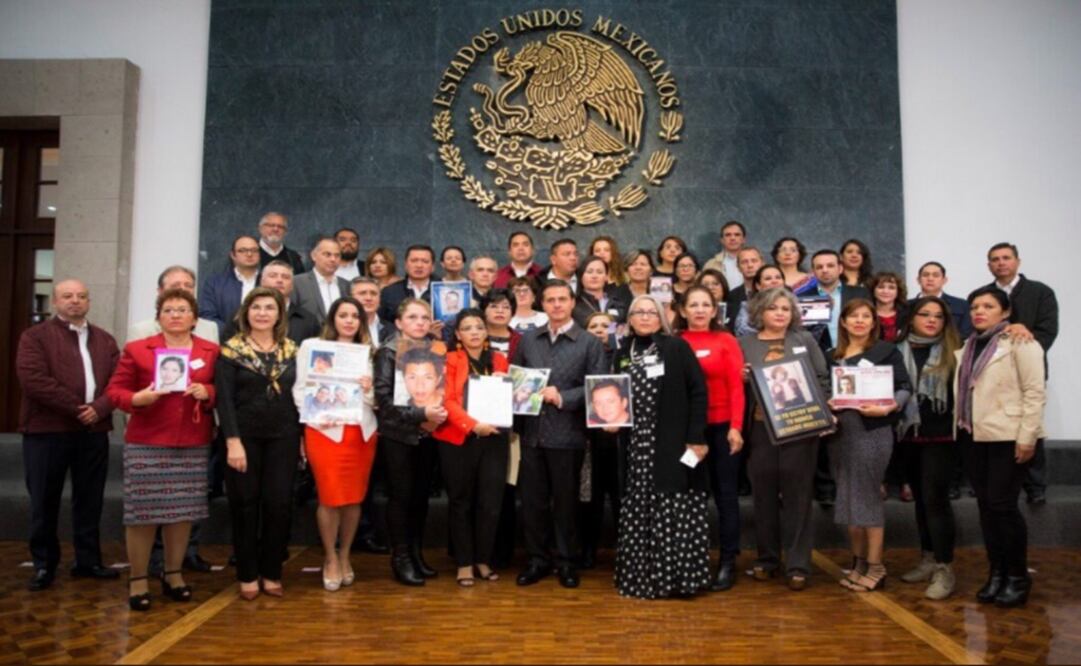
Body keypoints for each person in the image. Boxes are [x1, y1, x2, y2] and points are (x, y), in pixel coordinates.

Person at [106, 288, 218, 611]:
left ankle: (173, 574)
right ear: (159, 317)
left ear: (194, 318)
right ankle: (139, 579)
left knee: (181, 515)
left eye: (183, 310)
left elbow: (221, 390)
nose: (176, 315)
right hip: (147, 442)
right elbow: (115, 391)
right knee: (142, 515)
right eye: (168, 310)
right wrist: (136, 399)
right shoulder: (139, 349)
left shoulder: (210, 351)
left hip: (192, 443)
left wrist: (206, 390)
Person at [17, 279, 120, 591]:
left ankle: (88, 561)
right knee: (44, 500)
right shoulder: (35, 337)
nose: (75, 301)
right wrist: (79, 408)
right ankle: (44, 565)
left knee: (90, 499)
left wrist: (99, 408)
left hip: (93, 432)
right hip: (47, 432)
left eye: (81, 296)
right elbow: (34, 380)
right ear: (55, 301)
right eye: (67, 296)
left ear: (89, 301)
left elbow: (119, 380)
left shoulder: (104, 339)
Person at [614, 294, 710, 598]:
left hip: (672, 441)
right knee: (639, 506)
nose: (644, 317)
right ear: (628, 319)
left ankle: (677, 581)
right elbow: (608, 394)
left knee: (674, 504)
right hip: (635, 445)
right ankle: (641, 578)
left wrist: (696, 437)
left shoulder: (676, 347)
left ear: (661, 317)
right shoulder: (620, 353)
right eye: (638, 312)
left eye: (650, 312)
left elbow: (698, 392)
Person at [955, 286, 1046, 607]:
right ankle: (997, 573)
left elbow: (1035, 393)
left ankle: (1018, 577)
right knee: (986, 507)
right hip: (973, 436)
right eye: (974, 306)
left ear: (1005, 312)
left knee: (1003, 507)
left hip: (1008, 436)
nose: (979, 311)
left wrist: (1027, 437)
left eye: (988, 306)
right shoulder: (968, 346)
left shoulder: (1021, 342)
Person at [512, 280, 606, 588]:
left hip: (568, 435)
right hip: (532, 434)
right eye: (550, 300)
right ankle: (538, 560)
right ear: (542, 304)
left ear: (571, 303)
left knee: (566, 504)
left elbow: (599, 387)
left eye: (562, 299)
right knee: (533, 502)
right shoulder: (528, 340)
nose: (556, 305)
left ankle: (567, 561)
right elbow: (518, 379)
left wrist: (563, 396)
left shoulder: (589, 342)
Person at [738, 287, 829, 590]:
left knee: (798, 498)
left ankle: (799, 565)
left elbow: (822, 379)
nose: (780, 313)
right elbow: (732, 386)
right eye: (773, 308)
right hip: (760, 430)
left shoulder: (804, 340)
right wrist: (740, 377)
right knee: (763, 497)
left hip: (800, 429)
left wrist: (822, 413)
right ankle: (767, 560)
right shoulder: (743, 344)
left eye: (785, 309)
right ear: (759, 312)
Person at [216, 287, 300, 600]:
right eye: (256, 307)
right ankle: (248, 574)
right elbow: (224, 401)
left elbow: (302, 396)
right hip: (244, 438)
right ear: (246, 313)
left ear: (280, 314)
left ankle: (272, 572)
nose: (262, 313)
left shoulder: (292, 350)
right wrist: (233, 442)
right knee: (245, 504)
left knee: (279, 505)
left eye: (269, 307)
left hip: (285, 437)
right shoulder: (230, 351)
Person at [293, 296, 378, 592]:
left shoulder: (369, 353)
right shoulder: (311, 347)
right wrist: (316, 412)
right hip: (324, 431)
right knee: (330, 497)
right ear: (332, 319)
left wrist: (368, 390)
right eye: (343, 315)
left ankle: (345, 556)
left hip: (360, 433)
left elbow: (380, 400)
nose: (349, 321)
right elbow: (300, 389)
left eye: (355, 316)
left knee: (354, 498)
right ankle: (329, 557)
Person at [826, 299, 911, 593]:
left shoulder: (885, 351)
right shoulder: (831, 356)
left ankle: (877, 566)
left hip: (872, 431)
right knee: (849, 498)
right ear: (844, 322)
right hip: (840, 436)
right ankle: (859, 562)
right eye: (854, 316)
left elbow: (904, 388)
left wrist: (887, 409)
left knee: (867, 497)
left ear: (874, 323)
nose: (860, 321)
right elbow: (823, 390)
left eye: (866, 316)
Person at [433, 309, 510, 586]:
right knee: (460, 501)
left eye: (479, 327)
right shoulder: (449, 360)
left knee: (490, 503)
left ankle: (483, 559)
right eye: (467, 328)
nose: (475, 332)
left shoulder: (500, 360)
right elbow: (447, 400)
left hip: (495, 440)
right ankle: (464, 562)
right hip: (459, 438)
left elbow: (508, 395)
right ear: (457, 334)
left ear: (486, 332)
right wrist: (472, 424)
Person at [676, 286, 745, 591]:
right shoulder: (675, 343)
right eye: (694, 305)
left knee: (726, 496)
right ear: (683, 311)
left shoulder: (726, 340)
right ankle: (692, 561)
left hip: (722, 429)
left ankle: (728, 562)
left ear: (715, 311)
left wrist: (736, 427)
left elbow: (736, 388)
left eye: (706, 305)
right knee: (690, 498)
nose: (700, 310)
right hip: (688, 434)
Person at [374, 298, 447, 585]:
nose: (420, 322)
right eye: (413, 317)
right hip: (398, 436)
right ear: (399, 322)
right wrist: (421, 412)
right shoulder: (388, 353)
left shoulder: (436, 352)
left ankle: (416, 554)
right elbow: (384, 401)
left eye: (425, 318)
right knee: (401, 497)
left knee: (420, 499)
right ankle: (400, 558)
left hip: (428, 435)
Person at [896, 296, 962, 600]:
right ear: (912, 318)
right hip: (907, 438)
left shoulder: (956, 353)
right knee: (921, 500)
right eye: (925, 314)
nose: (932, 320)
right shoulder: (895, 351)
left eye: (938, 316)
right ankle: (928, 557)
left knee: (935, 501)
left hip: (941, 439)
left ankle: (944, 568)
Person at [982, 242, 1058, 505]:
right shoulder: (984, 295)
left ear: (1018, 261)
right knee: (996, 430)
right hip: (991, 372)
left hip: (1027, 369)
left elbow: (1048, 331)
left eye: (1006, 258)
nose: (1001, 263)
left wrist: (1027, 347)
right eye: (995, 259)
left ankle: (1035, 485)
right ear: (988, 264)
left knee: (1030, 425)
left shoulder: (1040, 292)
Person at [578, 311, 620, 570]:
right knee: (589, 498)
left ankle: (626, 550)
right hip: (588, 441)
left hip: (620, 439)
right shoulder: (581, 356)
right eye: (593, 325)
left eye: (606, 325)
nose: (600, 329)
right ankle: (587, 550)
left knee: (621, 496)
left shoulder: (625, 356)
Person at [129, 266, 220, 343]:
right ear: (160, 291)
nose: (183, 290)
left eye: (188, 286)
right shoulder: (141, 332)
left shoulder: (209, 329)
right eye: (175, 285)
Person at [806, 249, 871, 352]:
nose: (825, 270)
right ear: (813, 272)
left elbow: (872, 325)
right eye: (819, 267)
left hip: (855, 354)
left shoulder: (860, 294)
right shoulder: (803, 298)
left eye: (830, 265)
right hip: (817, 357)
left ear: (840, 269)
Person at [246, 259, 321, 343]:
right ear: (262, 281)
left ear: (292, 285)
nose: (279, 280)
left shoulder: (308, 320)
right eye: (273, 276)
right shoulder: (245, 315)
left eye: (285, 277)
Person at [199, 235, 261, 335]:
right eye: (242, 250)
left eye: (254, 250)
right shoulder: (214, 283)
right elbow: (207, 316)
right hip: (226, 342)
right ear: (232, 255)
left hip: (263, 342)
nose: (249, 254)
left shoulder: (269, 282)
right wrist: (233, 335)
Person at [293, 237, 350, 325]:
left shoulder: (347, 285)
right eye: (327, 254)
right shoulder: (297, 283)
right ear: (313, 256)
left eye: (337, 255)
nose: (333, 259)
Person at [911, 261, 972, 338]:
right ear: (918, 280)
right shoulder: (906, 305)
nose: (930, 278)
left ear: (944, 280)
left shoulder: (961, 305)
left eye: (936, 275)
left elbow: (965, 334)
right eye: (925, 275)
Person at [378, 245, 436, 324]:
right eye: (414, 261)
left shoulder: (443, 291)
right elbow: (381, 323)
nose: (419, 265)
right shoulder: (389, 292)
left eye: (425, 261)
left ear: (432, 267)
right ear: (405, 265)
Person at [572, 255, 626, 327]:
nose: (594, 276)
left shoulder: (617, 302)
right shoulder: (573, 304)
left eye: (599, 272)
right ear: (581, 276)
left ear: (606, 276)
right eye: (589, 272)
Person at [733, 264, 785, 336]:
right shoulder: (747, 307)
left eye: (778, 277)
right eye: (768, 279)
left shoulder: (794, 304)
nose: (774, 281)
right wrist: (769, 335)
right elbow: (742, 331)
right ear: (758, 286)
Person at [724, 247, 765, 329]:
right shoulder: (732, 296)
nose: (750, 265)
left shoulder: (774, 293)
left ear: (762, 263)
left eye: (754, 261)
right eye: (744, 262)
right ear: (738, 267)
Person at [703, 220, 746, 289]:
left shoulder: (755, 262)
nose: (732, 238)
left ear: (743, 239)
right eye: (728, 235)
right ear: (722, 240)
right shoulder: (711, 265)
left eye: (737, 235)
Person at [351, 276, 391, 348]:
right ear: (350, 297)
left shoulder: (392, 330)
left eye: (373, 293)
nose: (369, 298)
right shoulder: (343, 327)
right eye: (362, 293)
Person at [869, 271, 908, 343]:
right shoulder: (867, 314)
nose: (886, 291)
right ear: (873, 290)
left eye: (891, 288)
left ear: (898, 291)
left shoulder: (907, 314)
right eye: (881, 287)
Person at [483, 288, 520, 358]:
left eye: (506, 307)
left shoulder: (521, 341)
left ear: (512, 313)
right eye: (494, 306)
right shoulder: (475, 338)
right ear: (484, 311)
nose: (500, 311)